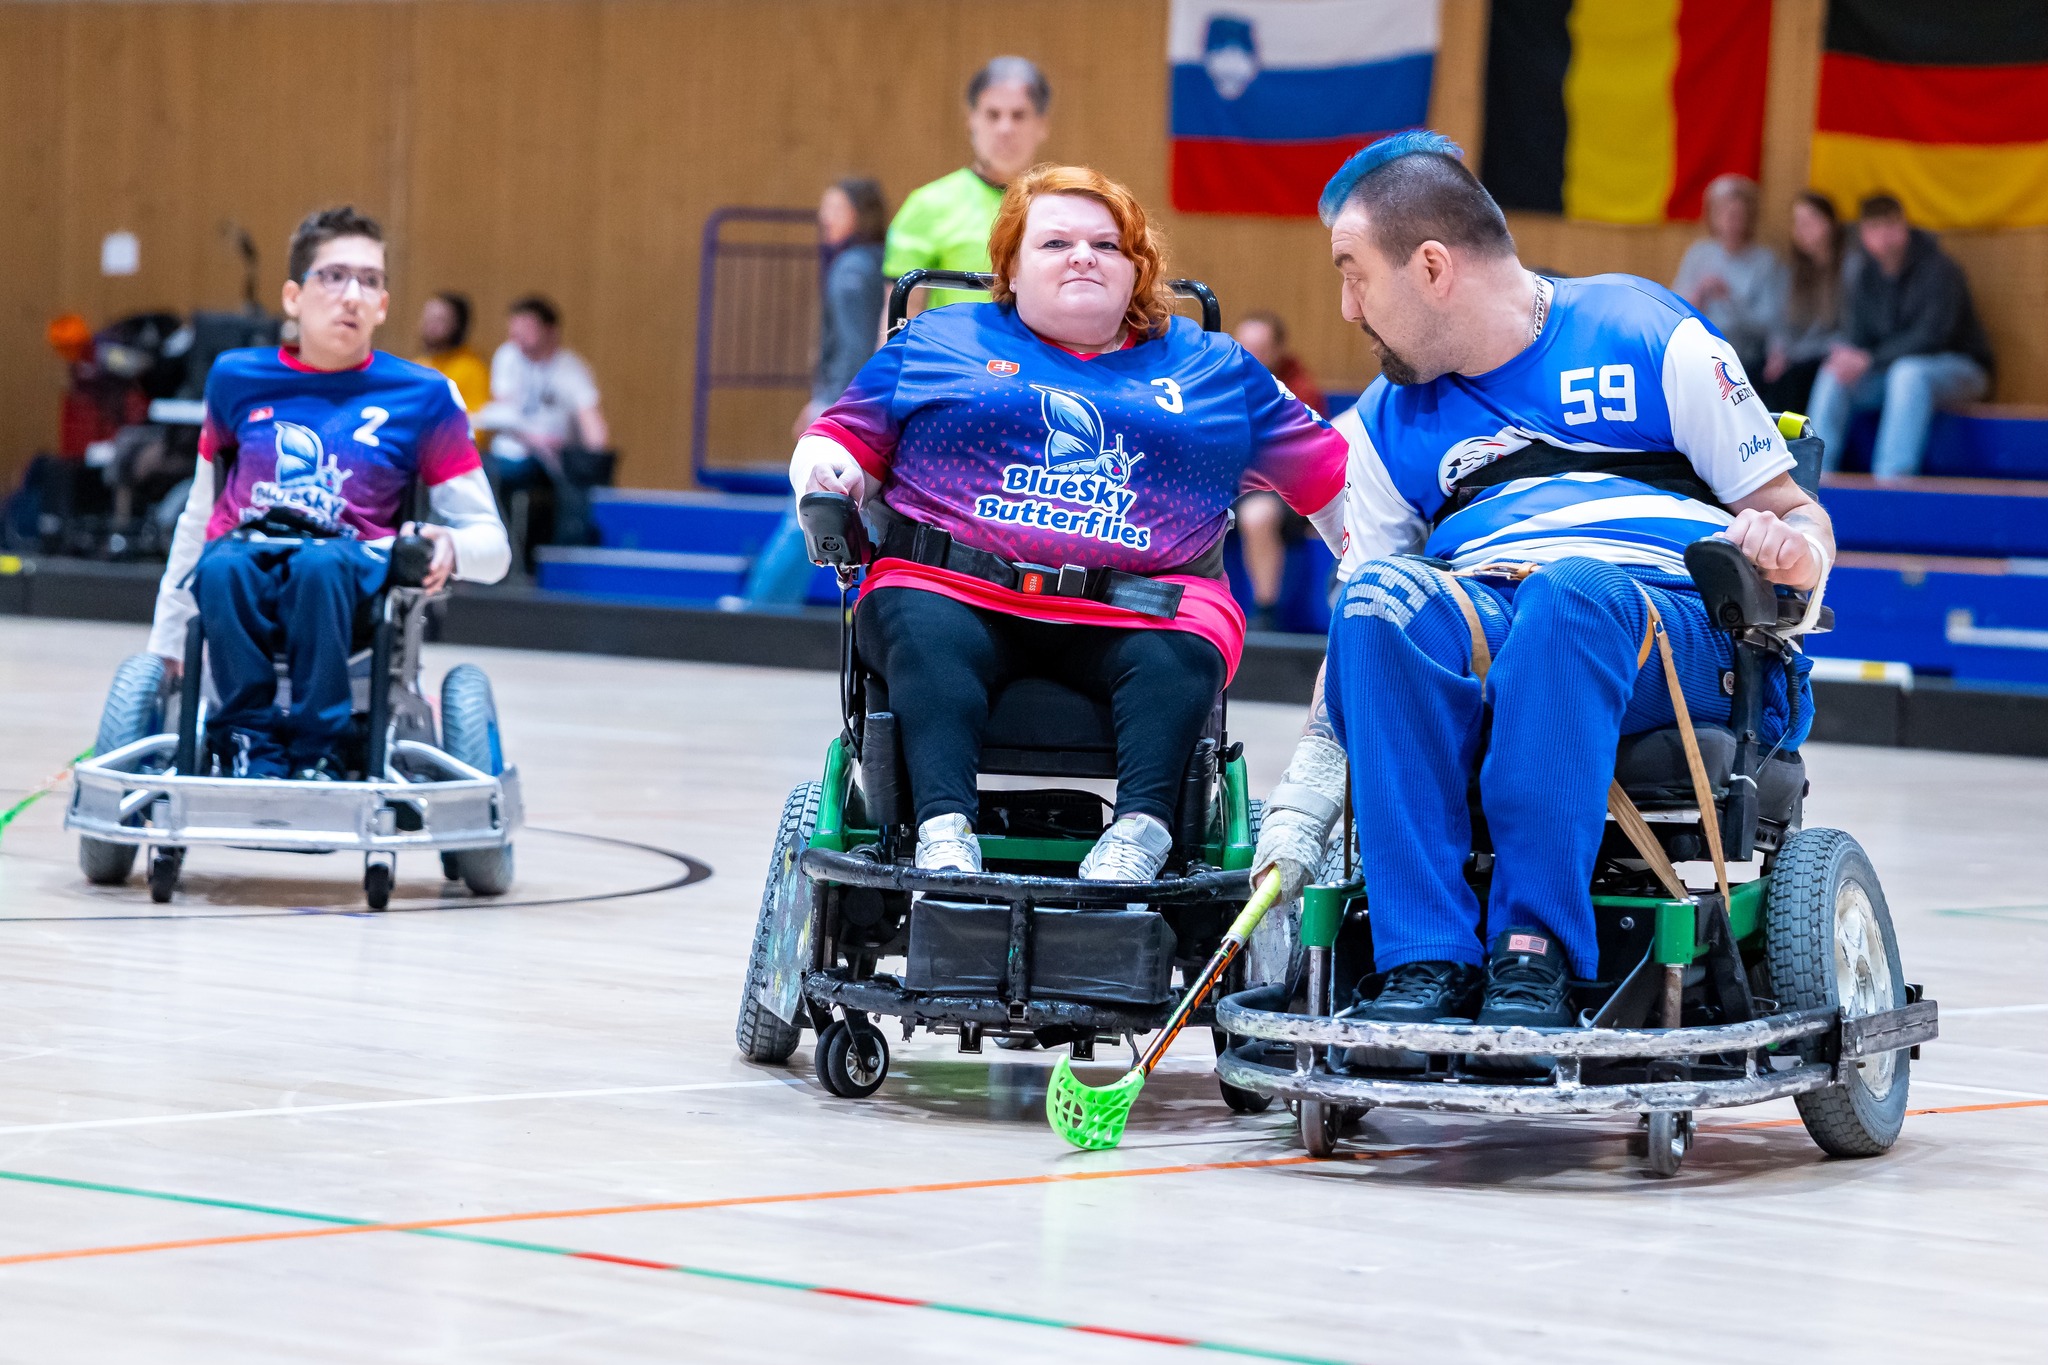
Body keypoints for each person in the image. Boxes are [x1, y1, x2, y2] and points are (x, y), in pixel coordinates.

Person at [1251, 132, 1832, 1028]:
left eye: (1354, 275)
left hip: (1668, 629)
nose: (1346, 307)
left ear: (1432, 267)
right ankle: (1423, 959)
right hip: (1498, 612)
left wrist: (1796, 552)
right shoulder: (1383, 425)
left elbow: (1799, 514)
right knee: (1373, 604)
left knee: (1569, 595)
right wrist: (1305, 794)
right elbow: (1367, 628)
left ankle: (1534, 952)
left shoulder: (1649, 333)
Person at [797, 165, 1349, 881]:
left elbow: (1339, 482)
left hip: (1144, 607)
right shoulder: (939, 339)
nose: (1083, 256)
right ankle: (941, 828)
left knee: (1178, 652)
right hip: (954, 588)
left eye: (1107, 245)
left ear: (1137, 269)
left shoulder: (1214, 368)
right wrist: (828, 474)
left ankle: (1141, 833)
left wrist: (1367, 570)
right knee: (923, 626)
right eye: (1056, 242)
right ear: (1010, 267)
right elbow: (838, 439)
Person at [145, 206, 510, 779]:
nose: (352, 296)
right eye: (334, 276)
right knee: (222, 565)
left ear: (383, 305)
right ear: (294, 297)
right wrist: (165, 642)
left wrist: (451, 547)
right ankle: (247, 744)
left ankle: (324, 749)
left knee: (319, 565)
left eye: (369, 281)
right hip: (247, 561)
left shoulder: (423, 395)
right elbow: (199, 513)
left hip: (350, 577)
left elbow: (494, 547)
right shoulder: (236, 378)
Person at [733, 179, 891, 610]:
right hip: (863, 405)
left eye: (835, 207)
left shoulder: (851, 268)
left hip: (845, 407)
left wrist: (831, 406)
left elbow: (855, 348)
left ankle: (759, 610)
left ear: (859, 213)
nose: (824, 217)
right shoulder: (877, 262)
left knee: (807, 507)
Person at [1808, 194, 1993, 478]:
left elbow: (1932, 337)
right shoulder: (1865, 276)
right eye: (1875, 228)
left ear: (1904, 226)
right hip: (1890, 372)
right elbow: (1859, 337)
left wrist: (1870, 359)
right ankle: (1813, 478)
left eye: (1891, 225)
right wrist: (1849, 356)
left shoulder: (1940, 269)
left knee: (1908, 373)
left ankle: (1892, 481)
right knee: (1833, 373)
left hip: (1961, 370)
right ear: (1864, 235)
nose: (1885, 237)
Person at [883, 56, 1052, 313]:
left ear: (1042, 125)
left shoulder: (1061, 207)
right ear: (971, 121)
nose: (1005, 128)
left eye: (1018, 116)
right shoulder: (928, 205)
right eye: (992, 115)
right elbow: (899, 318)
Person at [477, 295, 610, 560]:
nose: (517, 338)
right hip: (510, 451)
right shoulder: (508, 356)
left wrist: (592, 460)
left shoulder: (570, 370)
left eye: (526, 330)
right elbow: (503, 408)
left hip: (549, 460)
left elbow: (593, 426)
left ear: (550, 331)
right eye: (514, 331)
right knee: (477, 468)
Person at [1228, 311, 1328, 631]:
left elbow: (1300, 459)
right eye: (1244, 347)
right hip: (1231, 482)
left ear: (1278, 350)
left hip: (1282, 489)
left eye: (1259, 349)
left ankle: (1265, 613)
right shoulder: (1218, 381)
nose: (1250, 356)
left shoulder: (1300, 390)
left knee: (1257, 516)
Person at [1672, 174, 1782, 376]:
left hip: (1742, 357)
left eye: (1737, 215)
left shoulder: (1763, 260)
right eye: (1723, 214)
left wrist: (1730, 299)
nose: (1730, 222)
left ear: (1749, 217)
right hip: (1699, 352)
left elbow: (1768, 321)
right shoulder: (1698, 253)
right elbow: (1674, 310)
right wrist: (1699, 293)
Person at [1757, 191, 1843, 413]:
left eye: (1810, 220)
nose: (1802, 229)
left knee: (1794, 378)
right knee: (1762, 375)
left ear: (1830, 224)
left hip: (1827, 352)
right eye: (1797, 222)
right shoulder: (1792, 272)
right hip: (1797, 354)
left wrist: (1793, 354)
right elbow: (1779, 322)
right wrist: (1777, 351)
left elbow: (1848, 329)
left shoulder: (1849, 269)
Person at [415, 291, 490, 417]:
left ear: (457, 325)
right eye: (428, 318)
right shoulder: (418, 365)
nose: (430, 325)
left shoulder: (472, 368)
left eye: (440, 320)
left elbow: (476, 421)